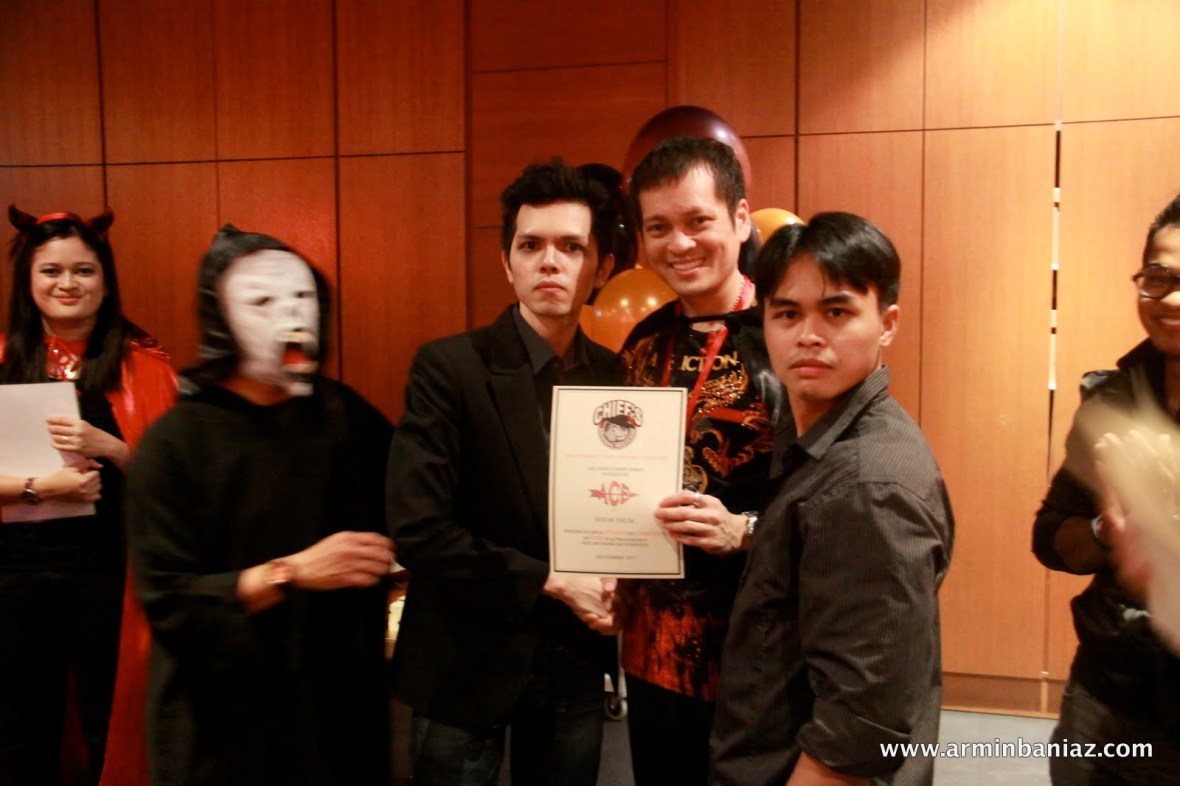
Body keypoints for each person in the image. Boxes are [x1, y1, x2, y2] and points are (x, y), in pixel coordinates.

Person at [124, 225, 395, 786]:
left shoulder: (347, 417)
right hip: (223, 727)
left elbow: (408, 511)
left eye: (302, 296)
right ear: (221, 319)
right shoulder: (176, 443)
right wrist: (292, 572)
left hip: (337, 714)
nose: (291, 315)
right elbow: (169, 599)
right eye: (262, 301)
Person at [387, 160, 620, 786]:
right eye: (531, 245)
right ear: (507, 262)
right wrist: (553, 580)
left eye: (571, 247)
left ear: (601, 269)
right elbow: (418, 530)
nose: (550, 263)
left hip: (572, 659)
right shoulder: (449, 369)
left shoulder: (617, 378)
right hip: (463, 659)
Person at [708, 212, 953, 786]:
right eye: (787, 314)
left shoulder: (868, 485)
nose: (808, 335)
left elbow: (861, 724)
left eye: (837, 312)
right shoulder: (820, 441)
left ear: (887, 323)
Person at [618, 136, 783, 786]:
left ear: (740, 219)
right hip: (650, 650)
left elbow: (839, 497)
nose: (678, 244)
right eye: (658, 227)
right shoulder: (641, 343)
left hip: (759, 652)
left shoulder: (787, 337)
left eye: (697, 221)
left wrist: (745, 530)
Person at [0, 206, 176, 786]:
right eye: (51, 271)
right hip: (12, 575)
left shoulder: (146, 367)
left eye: (84, 270)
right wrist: (37, 489)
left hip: (110, 574)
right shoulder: (2, 360)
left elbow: (181, 485)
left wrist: (115, 449)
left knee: (111, 727)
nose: (67, 284)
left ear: (105, 280)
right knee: (18, 730)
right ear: (28, 280)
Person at [1032, 193, 1180, 784]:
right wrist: (1107, 533)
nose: (1172, 299)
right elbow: (1050, 537)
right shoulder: (1111, 400)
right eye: (1159, 278)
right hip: (1104, 692)